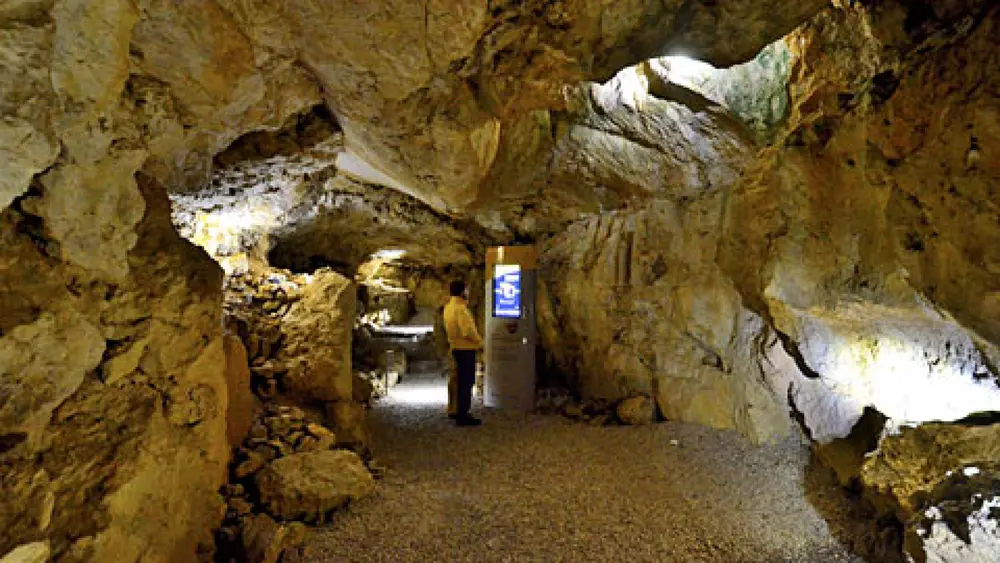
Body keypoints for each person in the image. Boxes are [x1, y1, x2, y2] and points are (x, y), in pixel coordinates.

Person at [443, 279, 483, 426]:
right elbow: (467, 331)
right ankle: (463, 415)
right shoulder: (461, 309)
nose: (468, 292)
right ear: (462, 292)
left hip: (455, 348)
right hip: (466, 349)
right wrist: (479, 341)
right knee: (466, 382)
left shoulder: (448, 307)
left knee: (458, 380)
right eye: (466, 290)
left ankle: (455, 409)